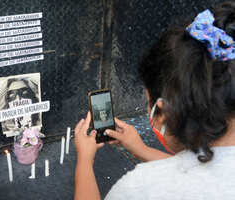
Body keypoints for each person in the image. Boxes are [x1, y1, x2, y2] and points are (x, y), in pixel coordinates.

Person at [74, 1, 235, 199]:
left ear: (166, 113)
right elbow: (195, 172)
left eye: (148, 102)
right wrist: (142, 150)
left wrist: (84, 160)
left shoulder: (140, 188)